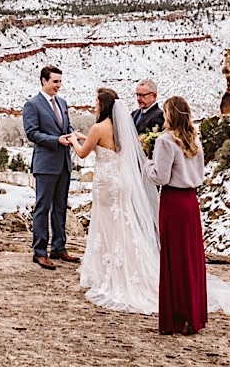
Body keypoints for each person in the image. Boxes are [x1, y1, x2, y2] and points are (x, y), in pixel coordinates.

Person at [143, 96, 230, 334]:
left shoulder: (165, 141)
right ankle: (193, 313)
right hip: (190, 202)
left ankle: (177, 316)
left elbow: (160, 177)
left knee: (174, 258)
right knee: (190, 258)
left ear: (170, 115)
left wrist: (146, 164)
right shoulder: (194, 141)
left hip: (172, 201)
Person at [66, 88, 160, 312]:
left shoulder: (98, 127)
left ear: (103, 104)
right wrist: (84, 138)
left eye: (96, 102)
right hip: (122, 181)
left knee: (107, 225)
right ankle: (126, 266)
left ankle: (109, 270)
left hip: (106, 183)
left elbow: (82, 153)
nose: (95, 105)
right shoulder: (121, 127)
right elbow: (104, 144)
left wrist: (72, 140)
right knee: (123, 224)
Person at [22, 65, 78, 270]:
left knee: (61, 208)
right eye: (55, 81)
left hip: (64, 163)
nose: (59, 86)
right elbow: (32, 133)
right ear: (44, 81)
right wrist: (57, 140)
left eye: (60, 81)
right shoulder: (32, 105)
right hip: (45, 164)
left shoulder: (62, 103)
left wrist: (73, 134)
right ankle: (39, 252)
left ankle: (59, 247)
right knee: (43, 208)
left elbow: (66, 127)